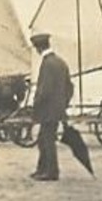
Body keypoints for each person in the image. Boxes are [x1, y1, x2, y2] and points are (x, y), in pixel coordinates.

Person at [29, 33, 71, 181]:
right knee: (43, 139)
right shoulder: (60, 62)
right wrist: (63, 104)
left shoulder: (47, 64)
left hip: (47, 110)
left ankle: (52, 172)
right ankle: (42, 169)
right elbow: (69, 88)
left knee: (47, 141)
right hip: (57, 110)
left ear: (39, 48)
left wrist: (36, 104)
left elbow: (44, 90)